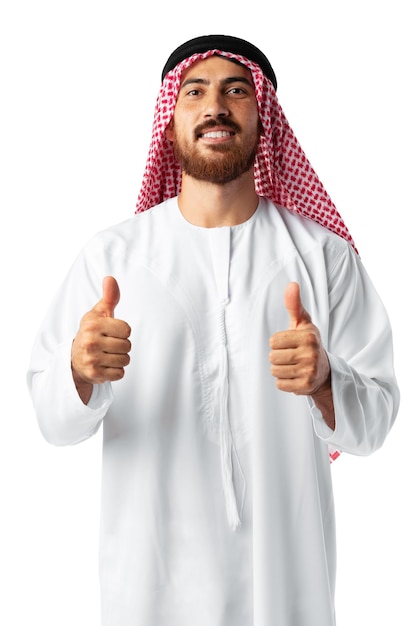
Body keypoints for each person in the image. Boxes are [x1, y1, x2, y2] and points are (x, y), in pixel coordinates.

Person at [27, 34, 400, 626]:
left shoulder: (324, 258)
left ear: (265, 116)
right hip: (148, 591)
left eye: (235, 90)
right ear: (170, 118)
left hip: (287, 589)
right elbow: (50, 420)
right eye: (195, 92)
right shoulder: (113, 258)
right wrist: (77, 370)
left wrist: (327, 380)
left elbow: (376, 421)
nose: (215, 107)